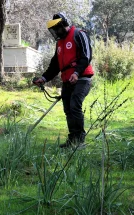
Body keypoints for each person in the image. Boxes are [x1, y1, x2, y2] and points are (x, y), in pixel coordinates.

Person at [33, 12, 94, 148]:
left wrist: (77, 73)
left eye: (56, 29)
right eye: (53, 30)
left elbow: (87, 56)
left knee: (75, 105)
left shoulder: (79, 34)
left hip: (82, 78)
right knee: (68, 109)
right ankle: (72, 139)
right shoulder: (60, 42)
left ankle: (80, 141)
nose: (55, 32)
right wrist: (44, 78)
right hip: (67, 81)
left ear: (63, 25)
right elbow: (55, 65)